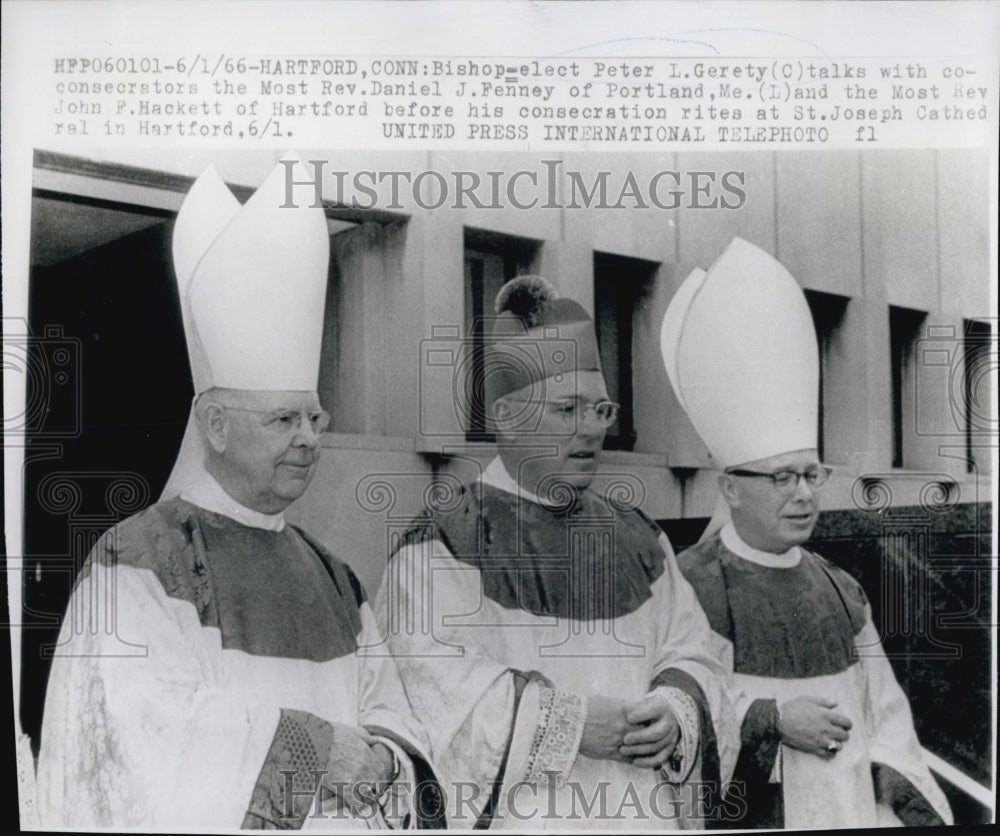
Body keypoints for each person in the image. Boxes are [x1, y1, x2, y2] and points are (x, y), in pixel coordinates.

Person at [35, 157, 443, 830]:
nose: (308, 439)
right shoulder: (140, 559)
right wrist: (314, 752)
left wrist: (389, 762)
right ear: (216, 426)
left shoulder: (335, 579)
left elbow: (392, 713)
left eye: (315, 419)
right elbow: (128, 738)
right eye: (283, 419)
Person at [377, 276, 737, 828]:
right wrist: (569, 726)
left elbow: (695, 652)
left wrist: (675, 709)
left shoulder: (642, 540)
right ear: (505, 416)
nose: (590, 430)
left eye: (600, 411)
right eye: (568, 410)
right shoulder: (443, 541)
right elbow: (432, 692)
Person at [660, 237, 952, 828]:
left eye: (811, 474)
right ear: (732, 486)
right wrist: (771, 720)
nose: (803, 492)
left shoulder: (840, 592)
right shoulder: (688, 586)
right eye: (783, 477)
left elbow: (889, 723)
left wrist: (893, 801)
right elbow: (671, 717)